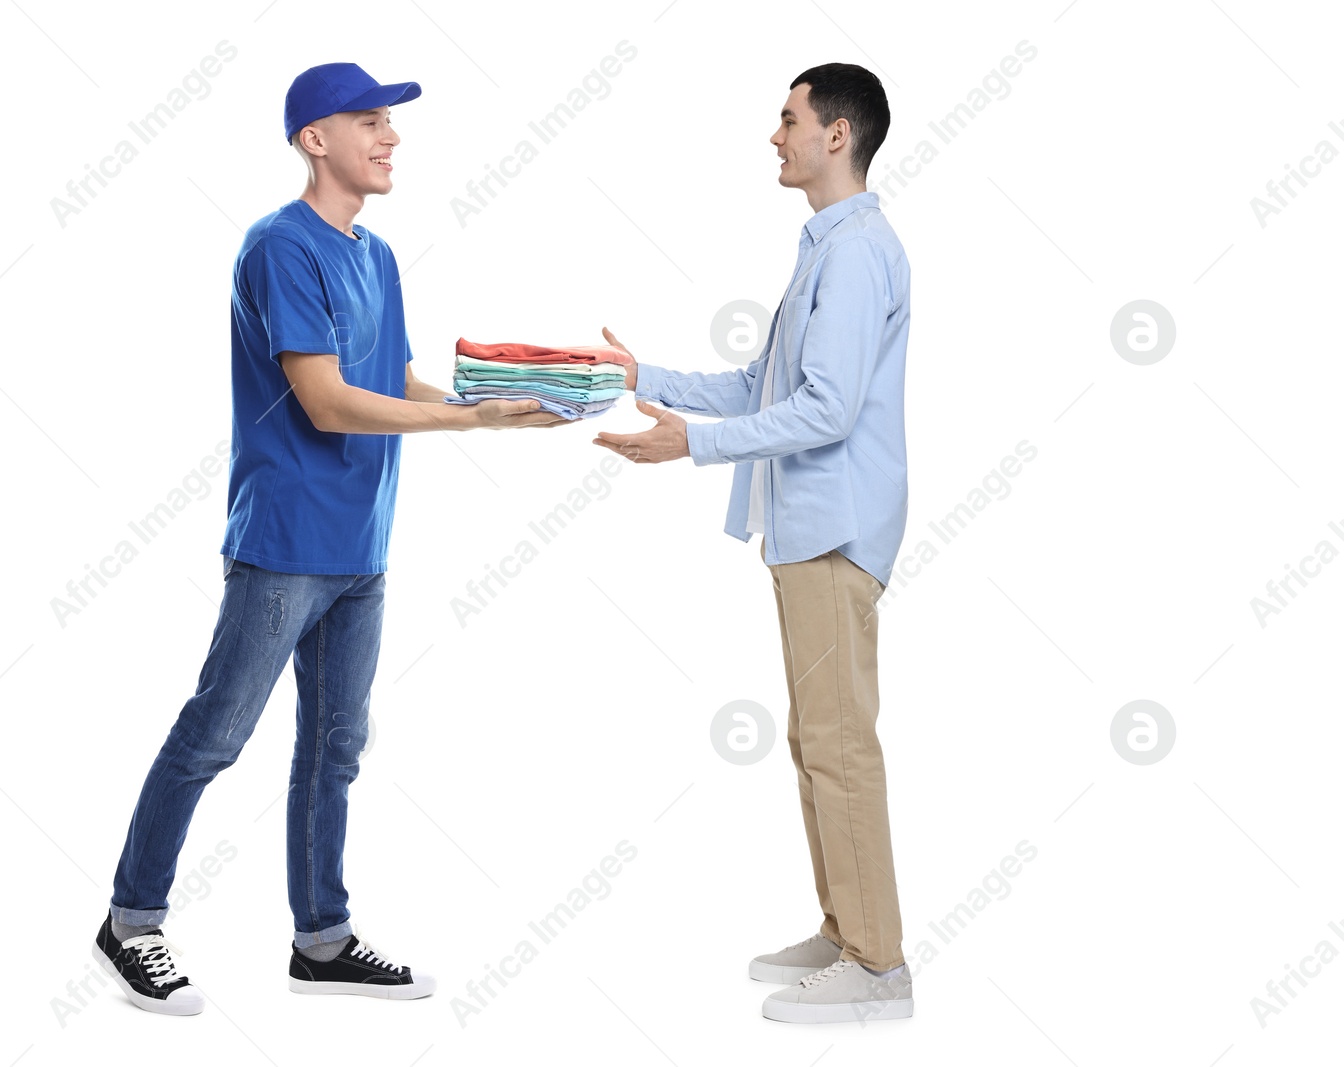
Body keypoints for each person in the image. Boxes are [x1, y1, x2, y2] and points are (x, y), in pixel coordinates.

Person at [92, 61, 566, 1016]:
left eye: (391, 124)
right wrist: (471, 427)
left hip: (362, 547)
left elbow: (390, 376)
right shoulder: (278, 247)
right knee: (216, 733)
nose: (391, 139)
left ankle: (323, 938)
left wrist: (496, 407)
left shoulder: (377, 255)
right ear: (316, 140)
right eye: (369, 123)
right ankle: (130, 922)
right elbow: (328, 399)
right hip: (284, 541)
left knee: (335, 747)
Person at [591, 62, 913, 1025]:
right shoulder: (827, 248)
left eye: (789, 120)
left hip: (836, 527)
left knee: (840, 740)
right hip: (808, 529)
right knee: (814, 735)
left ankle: (878, 966)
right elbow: (763, 383)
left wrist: (692, 443)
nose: (775, 137)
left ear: (838, 135)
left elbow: (825, 408)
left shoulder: (856, 255)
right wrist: (646, 374)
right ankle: (846, 929)